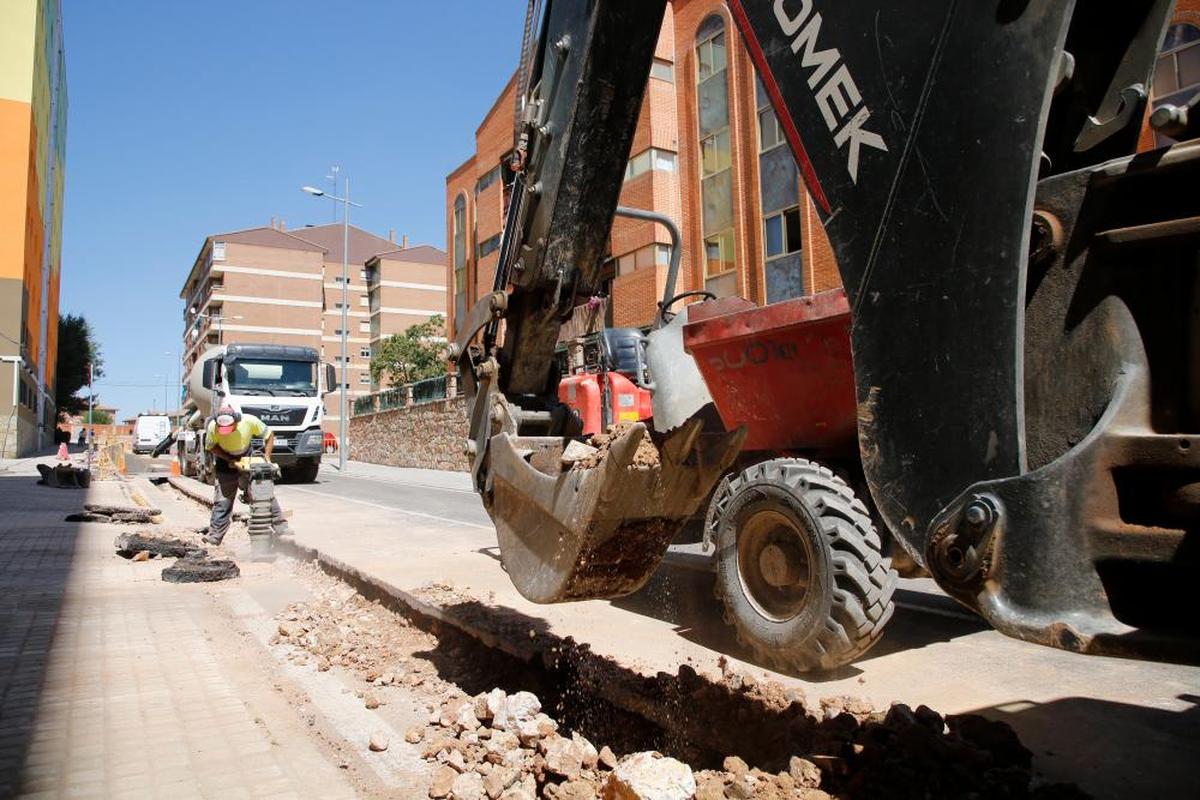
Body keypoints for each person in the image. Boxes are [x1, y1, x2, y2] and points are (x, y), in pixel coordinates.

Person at [203, 404, 293, 545]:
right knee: (223, 500)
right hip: (225, 459)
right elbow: (211, 446)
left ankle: (280, 526)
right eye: (223, 429)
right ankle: (214, 536)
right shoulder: (212, 427)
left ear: (237, 421)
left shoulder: (249, 421)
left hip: (247, 455)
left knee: (262, 492)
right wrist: (229, 459)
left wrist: (267, 457)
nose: (225, 432)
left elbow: (269, 435)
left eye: (229, 428)